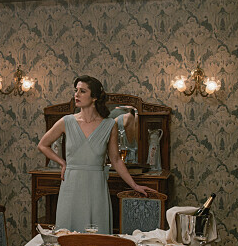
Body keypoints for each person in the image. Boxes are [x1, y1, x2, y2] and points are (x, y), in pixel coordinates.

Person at [38, 76, 152, 233]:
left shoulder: (109, 125)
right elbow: (43, 145)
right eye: (76, 90)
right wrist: (63, 163)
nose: (76, 94)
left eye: (82, 91)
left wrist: (135, 185)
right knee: (68, 233)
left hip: (96, 186)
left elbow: (116, 160)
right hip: (71, 184)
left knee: (97, 235)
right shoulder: (67, 121)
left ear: (94, 97)